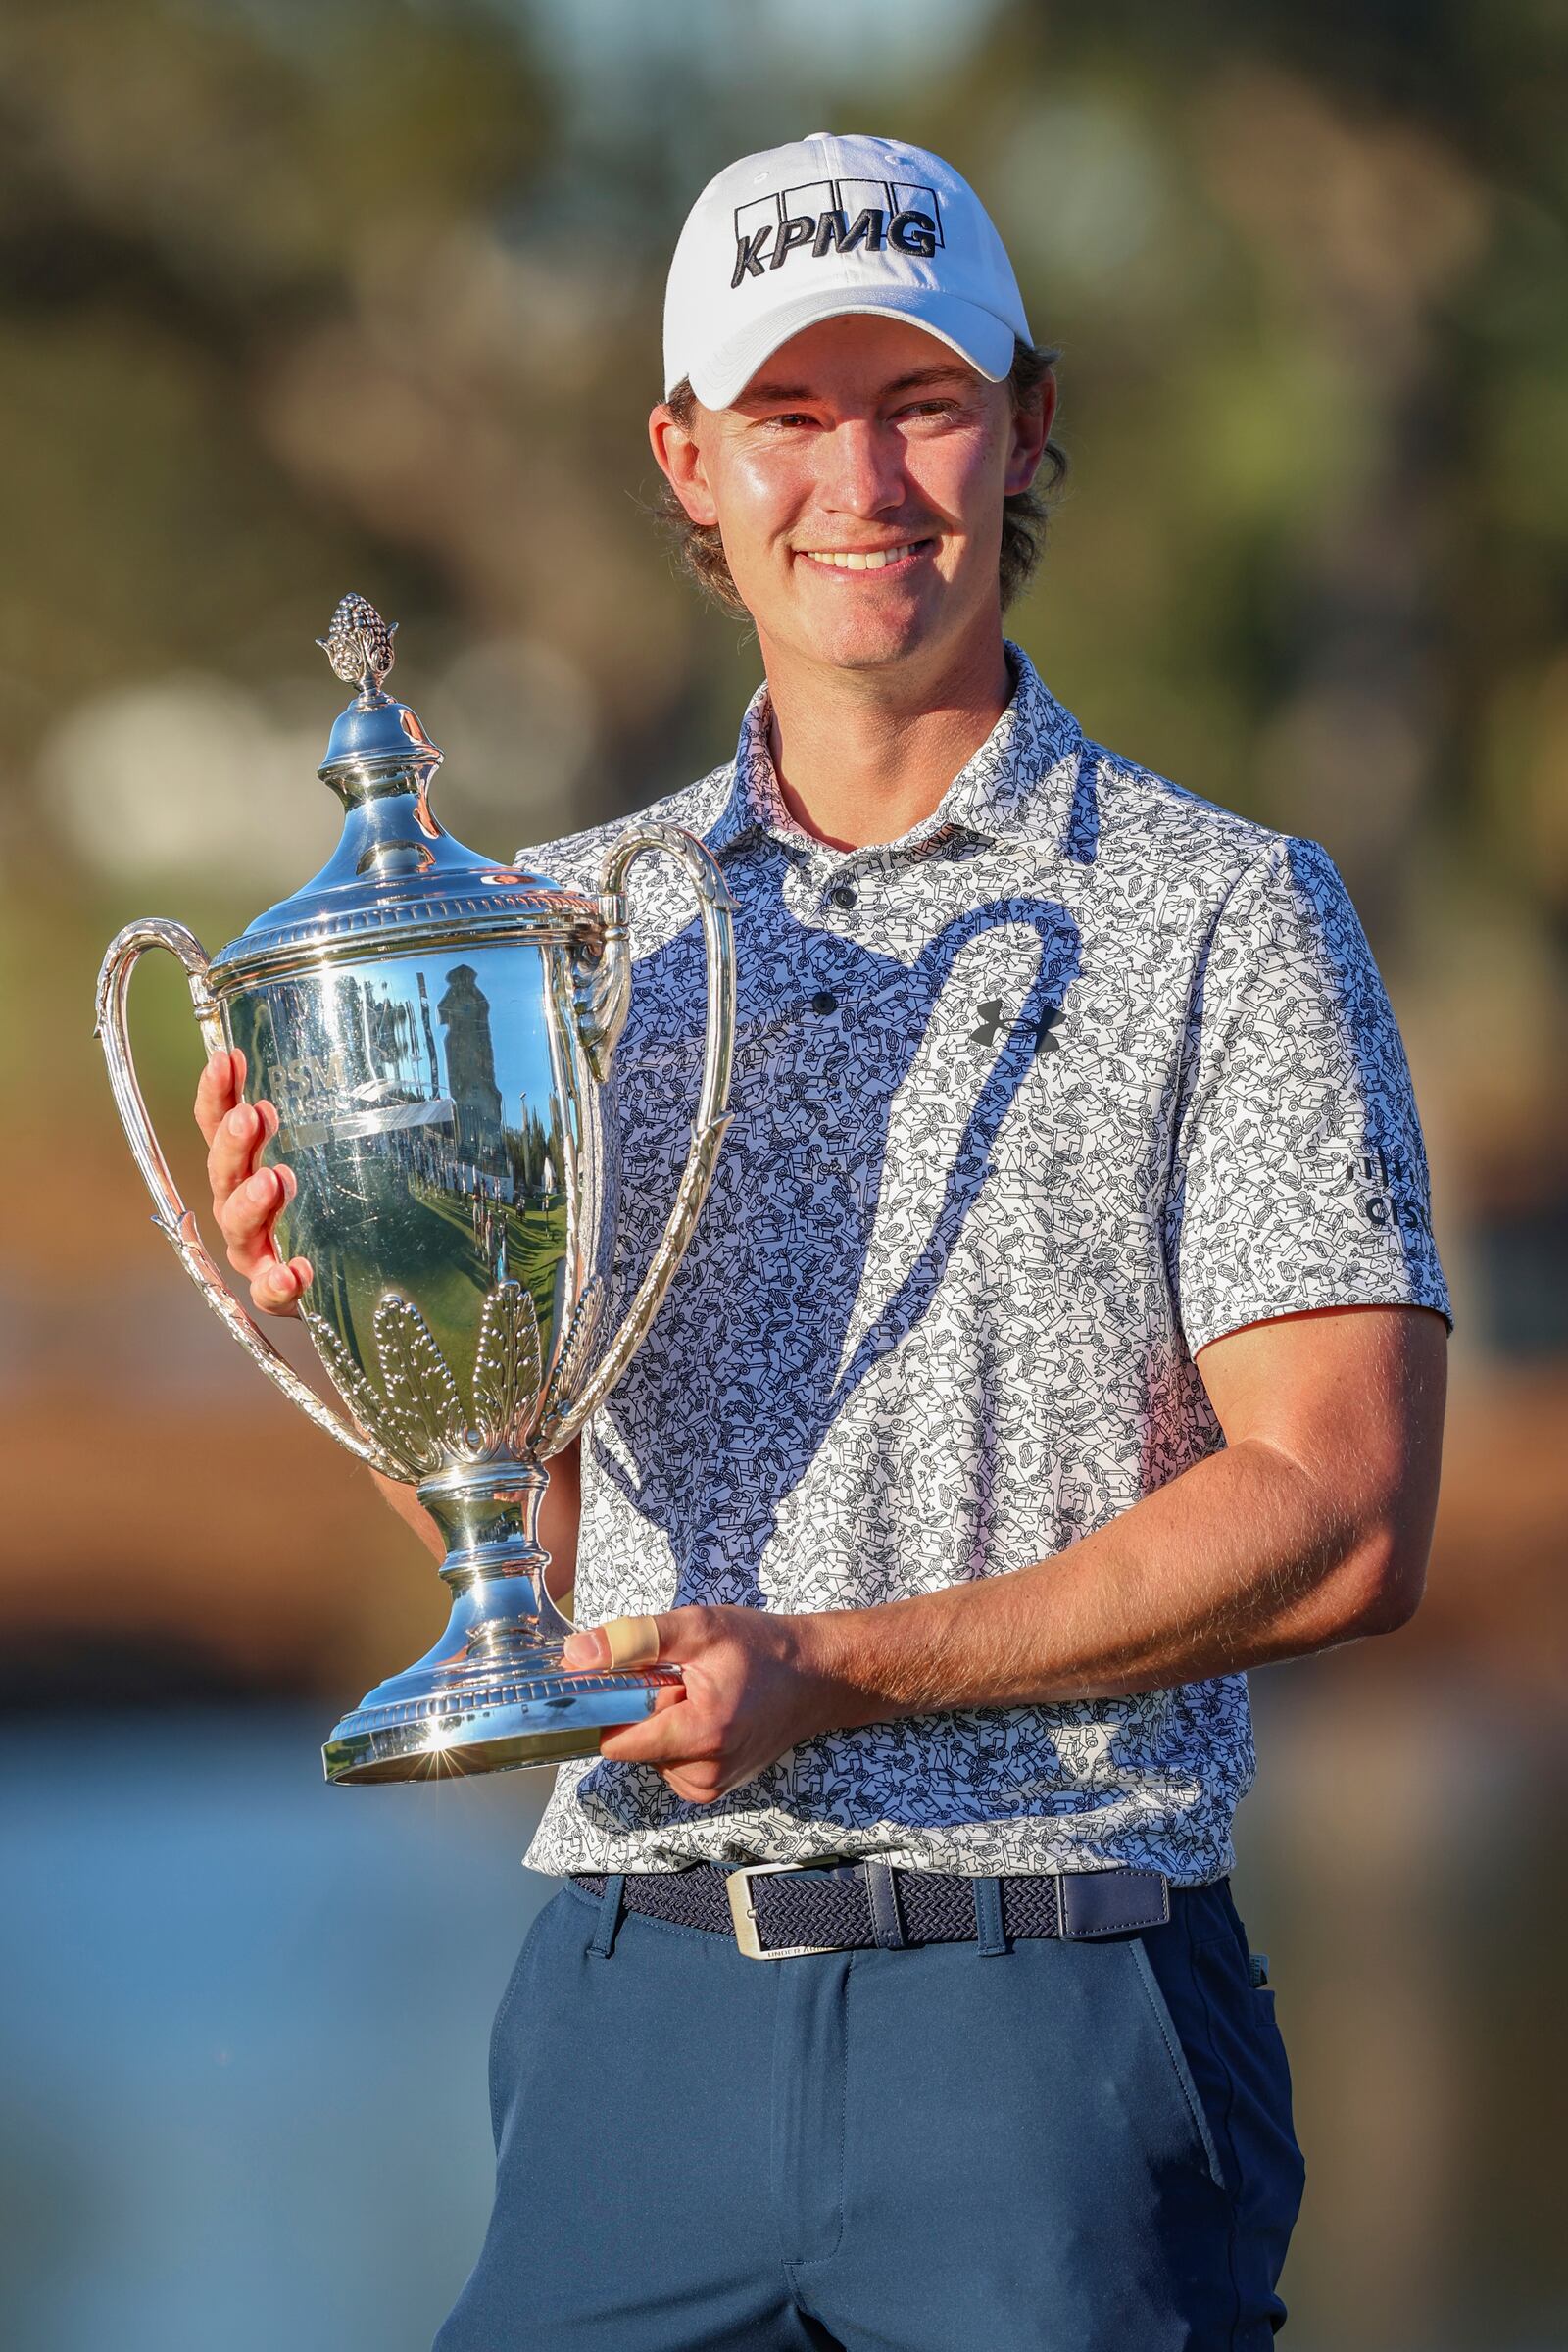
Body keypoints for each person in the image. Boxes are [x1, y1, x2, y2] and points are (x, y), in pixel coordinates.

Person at [195, 132, 1451, 2351]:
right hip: (628, 2023)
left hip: (1049, 2019)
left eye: (921, 403)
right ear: (685, 462)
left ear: (1027, 426)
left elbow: (1340, 1510)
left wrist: (836, 1668)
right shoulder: (548, 934)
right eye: (786, 414)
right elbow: (538, 1531)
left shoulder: (1229, 914)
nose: (857, 479)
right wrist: (363, 1325)